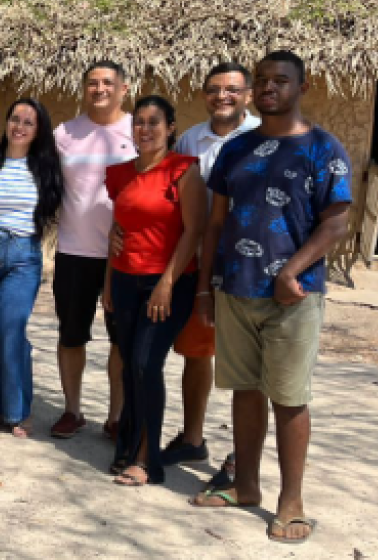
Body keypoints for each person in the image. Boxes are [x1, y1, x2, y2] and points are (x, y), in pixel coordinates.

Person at [191, 51, 352, 545]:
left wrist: (292, 271)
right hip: (236, 288)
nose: (267, 88)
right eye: (261, 81)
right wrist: (204, 286)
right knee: (244, 390)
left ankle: (292, 500)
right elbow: (216, 223)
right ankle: (245, 485)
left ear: (302, 87)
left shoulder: (323, 149)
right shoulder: (236, 150)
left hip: (294, 297)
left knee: (288, 397)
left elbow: (338, 221)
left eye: (279, 81)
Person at [161, 62, 260, 470]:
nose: (223, 97)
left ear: (248, 95)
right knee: (196, 354)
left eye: (232, 90)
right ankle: (193, 438)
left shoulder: (262, 138)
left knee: (247, 364)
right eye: (214, 90)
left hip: (248, 268)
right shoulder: (189, 140)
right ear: (203, 95)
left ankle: (242, 455)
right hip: (201, 265)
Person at [103, 96, 206, 486]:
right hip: (126, 281)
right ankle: (128, 447)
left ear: (171, 128)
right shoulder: (119, 174)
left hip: (169, 283)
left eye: (153, 122)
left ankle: (148, 459)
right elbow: (117, 231)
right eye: (139, 122)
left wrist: (166, 282)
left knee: (147, 364)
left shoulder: (183, 170)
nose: (144, 130)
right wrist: (109, 283)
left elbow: (193, 231)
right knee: (130, 366)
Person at [0, 98, 65, 439]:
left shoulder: (46, 167)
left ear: (38, 130)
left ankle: (18, 411)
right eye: (15, 118)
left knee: (11, 330)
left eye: (29, 122)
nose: (19, 126)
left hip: (23, 255)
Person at [50, 60, 135, 439]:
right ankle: (72, 409)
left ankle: (116, 417)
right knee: (71, 335)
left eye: (107, 83)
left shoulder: (140, 129)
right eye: (91, 83)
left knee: (121, 339)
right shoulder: (65, 133)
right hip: (73, 252)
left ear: (124, 88)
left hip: (126, 256)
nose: (99, 89)